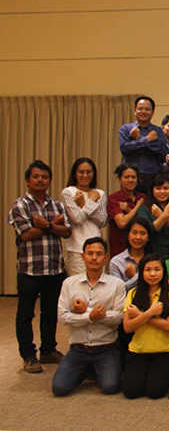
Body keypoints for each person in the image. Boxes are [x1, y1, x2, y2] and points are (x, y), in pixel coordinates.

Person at [8, 160, 72, 373]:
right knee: (25, 314)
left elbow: (67, 232)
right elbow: (26, 234)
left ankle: (48, 350)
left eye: (44, 177)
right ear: (28, 180)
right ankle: (28, 355)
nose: (40, 180)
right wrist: (53, 225)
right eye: (36, 176)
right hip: (30, 269)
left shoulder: (57, 204)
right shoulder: (21, 205)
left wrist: (44, 224)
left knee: (50, 312)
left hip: (54, 268)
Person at [52, 238, 125, 396]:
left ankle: (93, 369)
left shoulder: (116, 284)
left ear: (105, 257)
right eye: (90, 253)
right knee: (59, 389)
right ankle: (87, 369)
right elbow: (63, 317)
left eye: (99, 254)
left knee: (110, 387)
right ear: (83, 256)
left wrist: (86, 311)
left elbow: (119, 317)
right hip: (79, 349)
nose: (94, 257)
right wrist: (90, 316)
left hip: (106, 348)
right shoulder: (69, 284)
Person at [121, 253, 169, 399]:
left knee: (155, 391)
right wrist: (149, 313)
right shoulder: (133, 293)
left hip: (166, 350)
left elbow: (168, 326)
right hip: (138, 350)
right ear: (141, 272)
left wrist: (140, 315)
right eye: (147, 270)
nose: (152, 274)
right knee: (131, 392)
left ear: (163, 272)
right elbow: (127, 327)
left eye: (157, 269)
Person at [61, 157, 108, 277]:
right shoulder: (69, 192)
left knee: (98, 286)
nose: (85, 175)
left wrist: (83, 204)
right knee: (78, 286)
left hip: (97, 246)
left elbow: (102, 221)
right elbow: (77, 219)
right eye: (81, 172)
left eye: (89, 172)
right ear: (75, 174)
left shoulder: (100, 194)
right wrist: (91, 201)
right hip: (76, 248)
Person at [118, 96, 167, 195]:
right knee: (129, 209)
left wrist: (138, 139)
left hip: (153, 180)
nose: (143, 111)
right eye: (140, 108)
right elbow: (125, 148)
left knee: (151, 209)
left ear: (153, 112)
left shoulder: (158, 131)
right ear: (135, 111)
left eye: (147, 109)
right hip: (130, 180)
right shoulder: (126, 129)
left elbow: (162, 152)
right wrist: (147, 139)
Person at [136, 175, 169, 256]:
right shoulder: (144, 209)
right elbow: (147, 232)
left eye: (166, 188)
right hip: (152, 254)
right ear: (152, 190)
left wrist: (161, 215)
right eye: (158, 188)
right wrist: (165, 215)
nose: (162, 192)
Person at [107, 164, 147, 257]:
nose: (130, 180)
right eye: (126, 177)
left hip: (140, 247)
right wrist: (137, 207)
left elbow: (145, 222)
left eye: (133, 177)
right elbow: (121, 223)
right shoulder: (114, 198)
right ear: (120, 179)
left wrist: (129, 211)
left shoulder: (142, 198)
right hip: (120, 246)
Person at [110, 218, 154, 292]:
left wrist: (133, 275)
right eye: (134, 233)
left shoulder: (154, 260)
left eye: (143, 233)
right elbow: (118, 290)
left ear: (148, 238)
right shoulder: (116, 262)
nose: (138, 237)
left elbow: (157, 287)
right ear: (128, 236)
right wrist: (138, 277)